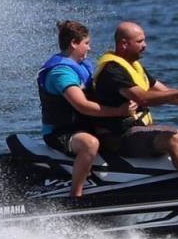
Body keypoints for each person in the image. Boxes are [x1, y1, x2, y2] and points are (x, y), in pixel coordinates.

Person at [87, 21, 178, 190]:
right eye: (140, 41)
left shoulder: (134, 66)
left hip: (136, 130)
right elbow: (144, 99)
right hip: (118, 137)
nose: (145, 45)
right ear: (124, 43)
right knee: (172, 138)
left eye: (144, 40)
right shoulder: (112, 71)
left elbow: (164, 93)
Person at [37, 21, 135, 199]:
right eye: (86, 43)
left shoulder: (84, 66)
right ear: (74, 43)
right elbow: (82, 105)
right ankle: (76, 196)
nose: (89, 48)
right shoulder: (61, 72)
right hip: (60, 132)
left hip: (85, 125)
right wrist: (119, 111)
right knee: (90, 143)